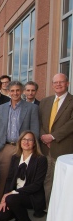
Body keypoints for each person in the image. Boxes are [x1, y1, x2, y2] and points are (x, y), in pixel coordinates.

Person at [0, 81, 39, 209]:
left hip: (24, 148)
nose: (15, 93)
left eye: (18, 90)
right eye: (12, 91)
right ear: (8, 92)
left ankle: (17, 205)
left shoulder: (31, 108)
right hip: (5, 147)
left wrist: (31, 149)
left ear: (22, 91)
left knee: (21, 178)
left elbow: (34, 130)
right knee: (2, 176)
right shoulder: (1, 108)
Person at [0, 131, 47, 221]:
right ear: (20, 142)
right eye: (24, 139)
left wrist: (11, 194)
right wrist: (4, 197)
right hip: (15, 195)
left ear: (34, 143)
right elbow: (9, 180)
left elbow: (37, 185)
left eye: (30, 140)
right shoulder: (15, 157)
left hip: (32, 196)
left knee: (12, 199)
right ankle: (18, 213)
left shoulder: (41, 159)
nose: (26, 142)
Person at [39, 73, 73, 206]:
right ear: (52, 85)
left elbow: (71, 123)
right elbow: (40, 122)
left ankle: (61, 208)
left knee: (62, 182)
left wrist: (52, 137)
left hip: (63, 148)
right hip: (45, 148)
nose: (58, 84)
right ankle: (48, 207)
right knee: (46, 179)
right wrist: (44, 137)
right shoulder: (45, 101)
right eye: (55, 82)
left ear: (67, 83)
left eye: (61, 82)